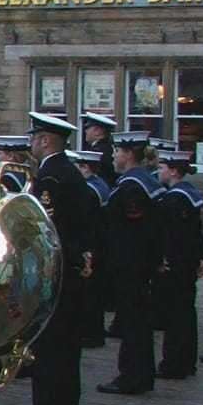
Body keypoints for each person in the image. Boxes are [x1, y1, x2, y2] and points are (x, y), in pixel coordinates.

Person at [7, 114, 93, 405]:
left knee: (51, 344)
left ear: (45, 141)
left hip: (55, 269)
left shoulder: (51, 177)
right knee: (67, 346)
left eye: (34, 139)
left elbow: (45, 228)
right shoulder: (68, 172)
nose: (31, 145)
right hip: (70, 266)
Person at [96, 132, 159, 396]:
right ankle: (141, 374)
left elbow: (131, 230)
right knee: (138, 321)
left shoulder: (133, 186)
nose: (113, 156)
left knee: (133, 322)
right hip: (138, 263)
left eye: (117, 152)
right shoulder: (142, 181)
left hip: (130, 263)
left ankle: (132, 376)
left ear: (128, 154)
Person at [151, 149, 203, 381]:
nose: (159, 172)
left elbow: (170, 236)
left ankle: (173, 364)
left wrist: (163, 260)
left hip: (175, 264)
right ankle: (186, 361)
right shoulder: (189, 193)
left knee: (175, 315)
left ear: (173, 171)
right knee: (186, 312)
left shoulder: (174, 198)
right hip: (187, 263)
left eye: (162, 168)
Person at [73, 149, 110, 348]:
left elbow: (84, 220)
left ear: (85, 167)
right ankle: (94, 331)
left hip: (93, 244)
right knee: (95, 292)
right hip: (101, 243)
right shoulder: (100, 184)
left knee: (90, 294)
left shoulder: (89, 190)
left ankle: (90, 333)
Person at [81, 113, 117, 186]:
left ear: (98, 131)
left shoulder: (97, 152)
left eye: (87, 128)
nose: (85, 131)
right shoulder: (109, 147)